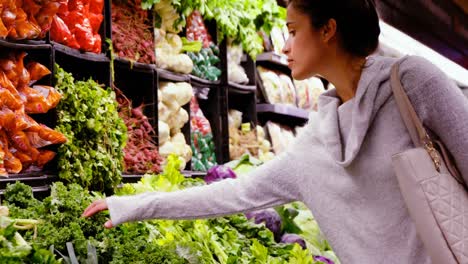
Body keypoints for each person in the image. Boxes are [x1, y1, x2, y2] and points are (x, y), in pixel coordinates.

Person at [82, 0, 468, 262]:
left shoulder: (411, 83)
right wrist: (131, 206)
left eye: (293, 30)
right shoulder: (316, 145)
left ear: (328, 29)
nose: (285, 46)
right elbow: (236, 194)